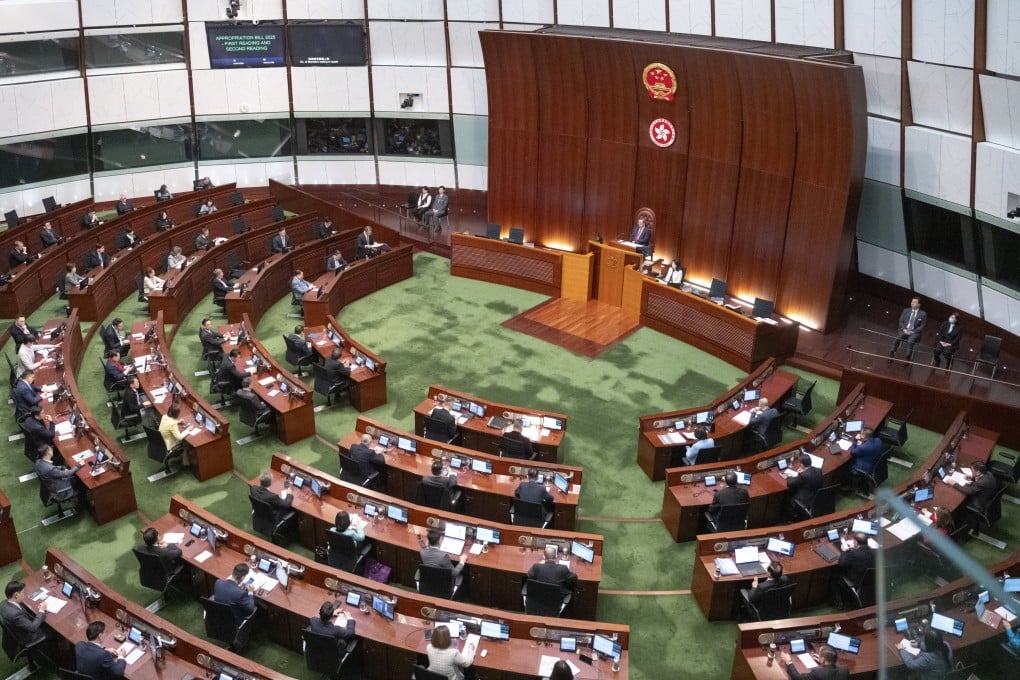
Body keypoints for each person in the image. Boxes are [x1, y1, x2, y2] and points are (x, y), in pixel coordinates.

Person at [0, 581, 48, 647]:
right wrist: (42, 610)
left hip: (17, 630)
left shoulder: (3, 603)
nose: (24, 595)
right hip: (28, 637)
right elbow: (33, 628)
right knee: (53, 631)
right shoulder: (15, 614)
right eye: (23, 593)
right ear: (16, 595)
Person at [834, 532, 875, 605]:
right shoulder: (875, 552)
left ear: (856, 543)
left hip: (858, 582)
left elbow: (841, 564)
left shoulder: (853, 554)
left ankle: (839, 603)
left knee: (835, 574)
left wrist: (844, 551)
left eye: (853, 541)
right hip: (873, 581)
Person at [890, 296, 927, 361]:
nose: (912, 303)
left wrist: (913, 331)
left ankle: (907, 358)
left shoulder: (923, 314)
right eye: (912, 302)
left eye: (914, 302)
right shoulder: (906, 310)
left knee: (910, 341)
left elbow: (922, 325)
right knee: (897, 338)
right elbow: (901, 321)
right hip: (904, 329)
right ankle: (892, 353)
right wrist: (904, 329)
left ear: (919, 304)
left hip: (914, 332)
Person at [780, 644, 848, 680]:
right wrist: (823, 662)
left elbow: (797, 678)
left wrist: (789, 661)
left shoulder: (817, 673)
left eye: (820, 655)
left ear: (823, 659)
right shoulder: (845, 669)